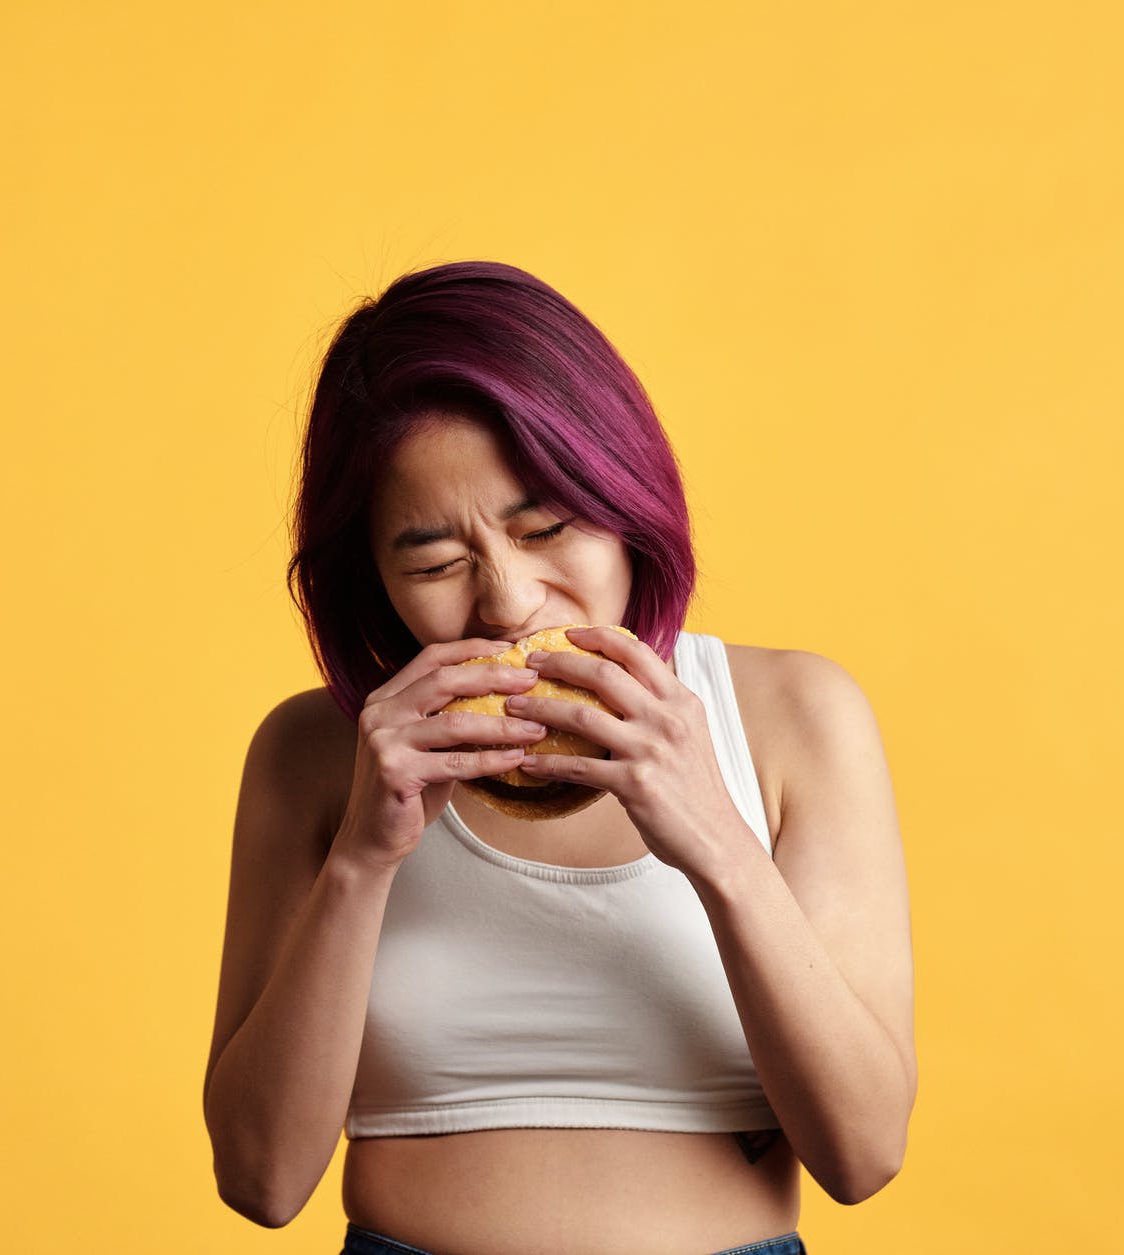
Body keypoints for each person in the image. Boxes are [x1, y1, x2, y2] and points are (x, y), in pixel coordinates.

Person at [203, 260, 917, 1255]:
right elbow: (259, 1179)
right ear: (372, 580)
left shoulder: (795, 717)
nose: (505, 600)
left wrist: (713, 836)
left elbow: (862, 1151)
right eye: (434, 563)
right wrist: (362, 859)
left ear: (624, 498)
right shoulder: (315, 754)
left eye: (547, 527)